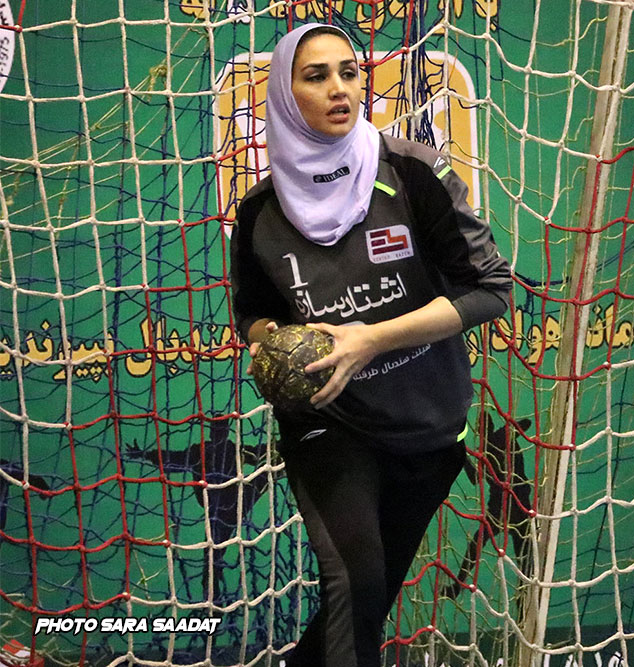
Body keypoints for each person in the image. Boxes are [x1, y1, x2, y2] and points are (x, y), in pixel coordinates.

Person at [228, 23, 512, 667]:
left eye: (349, 72)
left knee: (366, 601)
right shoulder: (260, 212)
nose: (339, 88)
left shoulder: (415, 173)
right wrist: (277, 343)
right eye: (316, 76)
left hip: (426, 422)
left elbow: (491, 290)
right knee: (355, 583)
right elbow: (254, 314)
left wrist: (372, 339)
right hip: (329, 421)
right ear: (284, 96)